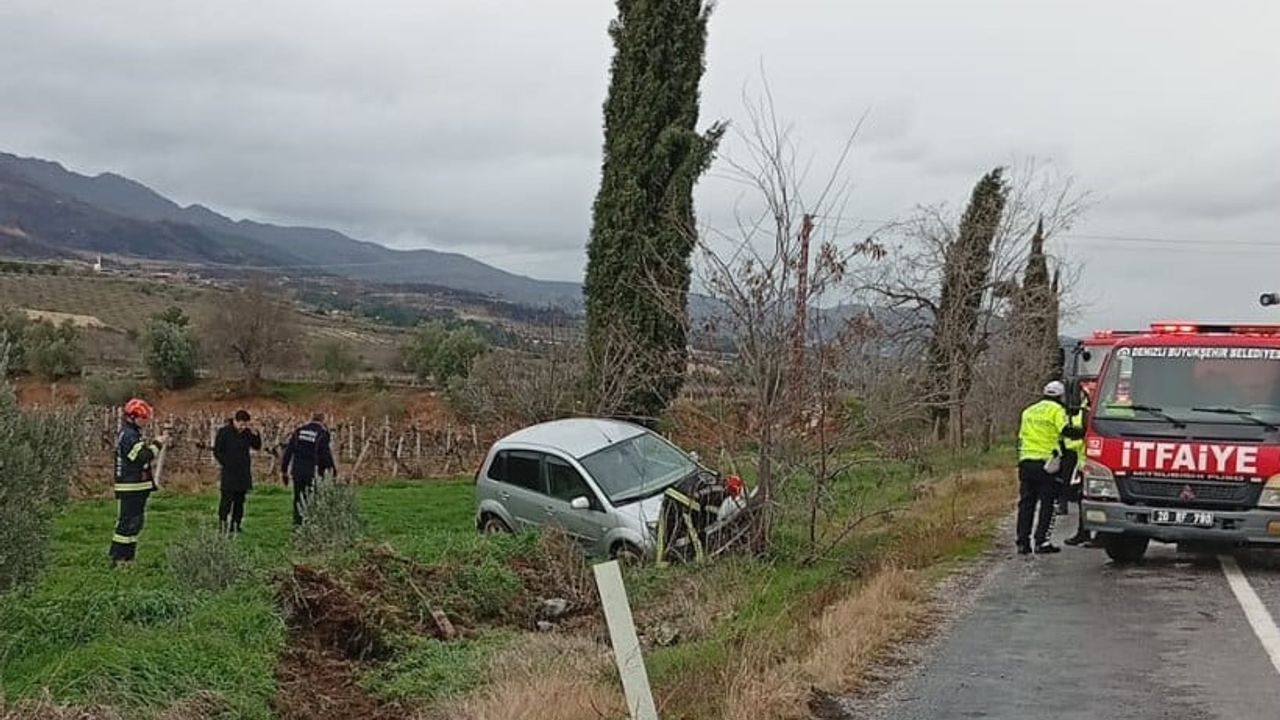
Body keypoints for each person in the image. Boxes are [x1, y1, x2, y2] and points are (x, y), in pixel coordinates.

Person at [1016, 381, 1083, 555]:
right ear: (1061, 396)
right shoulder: (1056, 410)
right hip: (1047, 464)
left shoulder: (1028, 411)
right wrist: (1085, 431)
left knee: (1026, 504)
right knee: (1048, 504)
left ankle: (1022, 542)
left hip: (1026, 461)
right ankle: (1042, 542)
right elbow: (1066, 431)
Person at [108, 398, 168, 566]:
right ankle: (119, 558)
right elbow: (141, 457)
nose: (146, 422)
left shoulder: (131, 434)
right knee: (128, 523)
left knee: (134, 523)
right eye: (143, 418)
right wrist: (157, 444)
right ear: (132, 417)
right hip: (131, 486)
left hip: (136, 486)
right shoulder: (129, 436)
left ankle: (127, 558)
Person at [281, 412, 336, 527]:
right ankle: (311, 523)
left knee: (298, 498)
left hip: (297, 470)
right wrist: (332, 470)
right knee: (312, 498)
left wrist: (284, 470)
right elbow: (325, 455)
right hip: (313, 471)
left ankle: (297, 523)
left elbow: (288, 452)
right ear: (323, 421)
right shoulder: (322, 433)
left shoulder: (299, 431)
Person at [214, 409, 262, 534]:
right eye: (241, 423)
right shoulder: (224, 433)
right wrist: (227, 463)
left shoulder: (247, 433)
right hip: (229, 473)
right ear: (235, 421)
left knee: (240, 502)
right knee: (226, 501)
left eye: (245, 424)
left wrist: (256, 434)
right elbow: (217, 451)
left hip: (243, 473)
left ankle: (236, 525)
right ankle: (223, 525)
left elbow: (256, 446)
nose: (243, 426)